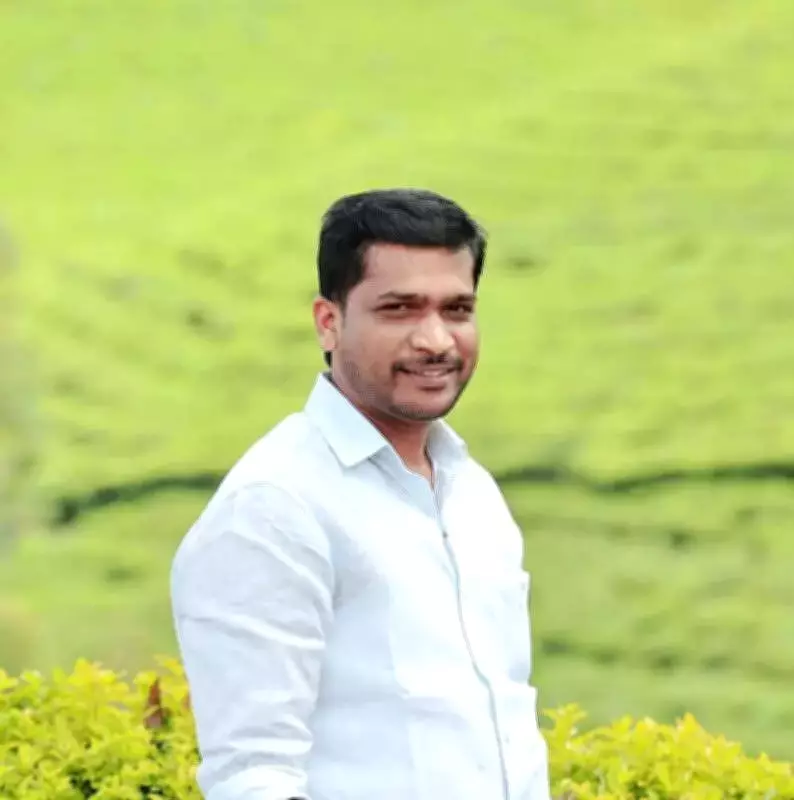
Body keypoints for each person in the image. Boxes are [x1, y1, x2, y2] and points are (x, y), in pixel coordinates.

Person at [170, 188, 551, 800]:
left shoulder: (472, 492)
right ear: (329, 322)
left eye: (457, 309)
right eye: (399, 310)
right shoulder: (275, 507)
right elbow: (253, 777)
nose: (436, 340)